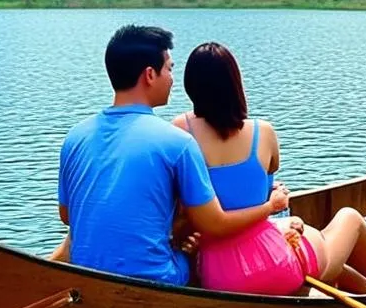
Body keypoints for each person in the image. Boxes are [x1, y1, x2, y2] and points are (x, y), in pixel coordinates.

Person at [56, 25, 290, 285]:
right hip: (159, 279)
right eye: (169, 69)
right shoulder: (177, 142)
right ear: (149, 75)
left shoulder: (75, 137)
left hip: (84, 275)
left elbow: (68, 216)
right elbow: (215, 223)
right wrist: (271, 206)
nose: (171, 79)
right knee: (198, 250)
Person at [172, 41, 366, 296]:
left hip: (217, 273)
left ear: (191, 86)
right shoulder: (263, 132)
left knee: (311, 245)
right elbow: (260, 186)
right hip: (275, 265)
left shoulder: (180, 130)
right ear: (235, 83)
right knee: (350, 218)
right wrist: (268, 199)